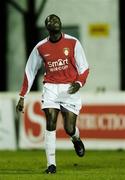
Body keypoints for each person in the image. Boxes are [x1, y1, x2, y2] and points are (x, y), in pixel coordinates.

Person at [16, 14, 89, 174]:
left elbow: (84, 68)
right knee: (50, 120)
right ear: (47, 27)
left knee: (69, 128)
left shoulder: (73, 42)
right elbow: (30, 71)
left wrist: (78, 83)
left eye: (56, 19)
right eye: (51, 20)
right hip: (50, 87)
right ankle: (51, 165)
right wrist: (22, 96)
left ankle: (75, 138)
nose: (55, 22)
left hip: (69, 88)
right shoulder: (40, 47)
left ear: (60, 24)